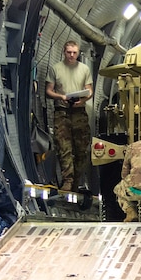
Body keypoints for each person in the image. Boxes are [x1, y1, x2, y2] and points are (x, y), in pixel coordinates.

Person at [45, 39, 93, 191]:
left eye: (74, 53)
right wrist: (62, 97)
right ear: (64, 52)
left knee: (81, 149)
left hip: (79, 112)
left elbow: (89, 90)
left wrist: (83, 99)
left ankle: (76, 181)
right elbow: (48, 90)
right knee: (64, 147)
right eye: (69, 52)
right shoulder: (56, 69)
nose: (72, 55)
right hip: (62, 112)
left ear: (78, 53)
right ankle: (67, 180)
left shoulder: (84, 69)